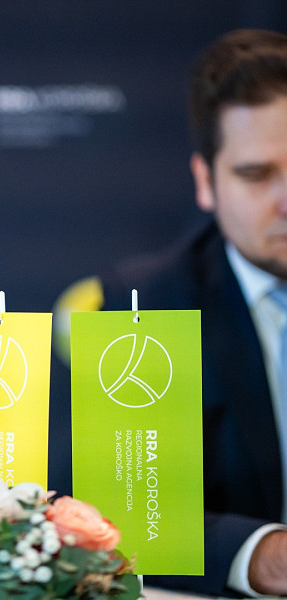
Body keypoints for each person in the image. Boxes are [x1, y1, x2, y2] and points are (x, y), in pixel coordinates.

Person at [54, 29, 287, 596]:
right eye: (257, 175)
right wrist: (265, 557)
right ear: (206, 182)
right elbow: (123, 522)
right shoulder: (145, 303)